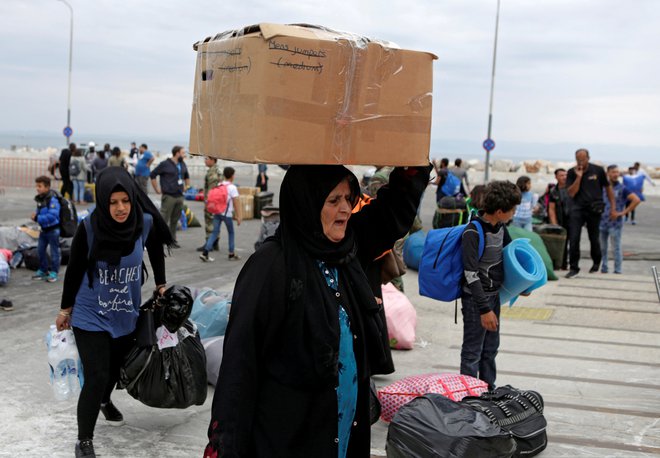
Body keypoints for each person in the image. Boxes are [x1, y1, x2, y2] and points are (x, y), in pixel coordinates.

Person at [204, 164, 431, 457]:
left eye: (349, 198)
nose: (346, 209)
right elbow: (240, 365)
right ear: (307, 203)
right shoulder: (271, 265)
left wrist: (411, 167)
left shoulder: (347, 250)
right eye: (333, 200)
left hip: (345, 434)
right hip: (291, 440)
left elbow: (392, 214)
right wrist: (225, 446)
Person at [54, 167, 173, 458]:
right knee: (96, 375)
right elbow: (75, 270)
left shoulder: (143, 224)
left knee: (113, 373)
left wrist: (161, 285)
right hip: (90, 313)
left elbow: (156, 250)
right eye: (113, 202)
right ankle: (84, 441)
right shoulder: (90, 227)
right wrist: (65, 309)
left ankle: (105, 401)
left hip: (125, 314)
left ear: (133, 200)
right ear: (103, 201)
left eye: (126, 201)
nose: (120, 208)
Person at [461, 180, 521, 390]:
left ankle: (489, 393)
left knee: (490, 350)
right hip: (475, 300)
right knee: (472, 352)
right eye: (512, 209)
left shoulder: (501, 228)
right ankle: (468, 398)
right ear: (498, 211)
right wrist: (484, 310)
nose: (514, 213)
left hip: (494, 297)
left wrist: (524, 286)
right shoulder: (473, 232)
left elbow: (511, 257)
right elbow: (470, 274)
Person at [565, 148, 615, 279]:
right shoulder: (571, 172)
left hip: (594, 208)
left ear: (588, 158)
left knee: (594, 238)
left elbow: (608, 188)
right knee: (574, 238)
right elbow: (571, 193)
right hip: (577, 208)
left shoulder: (598, 170)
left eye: (583, 159)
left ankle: (596, 262)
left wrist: (613, 208)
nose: (581, 162)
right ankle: (574, 267)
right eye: (578, 159)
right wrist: (579, 177)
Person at [600, 165, 641, 274]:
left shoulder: (622, 188)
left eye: (617, 172)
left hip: (615, 223)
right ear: (608, 173)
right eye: (613, 172)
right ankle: (604, 267)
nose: (615, 174)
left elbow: (636, 200)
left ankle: (617, 270)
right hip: (602, 222)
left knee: (616, 248)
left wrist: (623, 213)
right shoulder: (602, 187)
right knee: (602, 247)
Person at [150, 145, 190, 248]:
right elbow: (153, 175)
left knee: (175, 220)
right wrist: (157, 189)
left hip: (180, 196)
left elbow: (186, 176)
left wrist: (187, 186)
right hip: (169, 196)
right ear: (177, 153)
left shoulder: (182, 164)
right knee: (163, 220)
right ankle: (159, 240)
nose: (184, 155)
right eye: (182, 153)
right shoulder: (165, 164)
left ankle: (172, 241)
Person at [200, 166, 242, 262]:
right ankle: (231, 253)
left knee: (215, 232)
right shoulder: (232, 187)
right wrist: (239, 216)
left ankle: (205, 252)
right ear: (232, 176)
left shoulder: (219, 184)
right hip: (227, 215)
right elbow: (236, 203)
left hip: (217, 212)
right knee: (231, 233)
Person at [32, 175, 61, 283]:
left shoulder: (52, 199)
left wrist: (37, 217)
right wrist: (36, 217)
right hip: (43, 230)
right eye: (37, 186)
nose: (37, 188)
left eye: (40, 186)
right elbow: (39, 212)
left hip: (53, 230)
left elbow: (53, 216)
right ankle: (43, 270)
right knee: (40, 250)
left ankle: (54, 272)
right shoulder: (40, 199)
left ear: (47, 187)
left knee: (54, 252)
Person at [197, 156, 221, 252]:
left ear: (213, 160)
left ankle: (209, 243)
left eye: (207, 159)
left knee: (209, 222)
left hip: (212, 202)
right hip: (216, 202)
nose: (205, 161)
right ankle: (215, 243)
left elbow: (211, 191)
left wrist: (208, 203)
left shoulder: (212, 173)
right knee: (215, 222)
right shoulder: (216, 171)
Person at [548, 168, 570, 269]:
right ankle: (561, 264)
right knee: (561, 244)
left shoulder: (571, 188)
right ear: (556, 177)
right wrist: (554, 223)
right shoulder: (553, 191)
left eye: (566, 175)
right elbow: (551, 208)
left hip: (572, 219)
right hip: (560, 220)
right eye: (561, 175)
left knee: (573, 243)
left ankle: (572, 264)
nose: (564, 177)